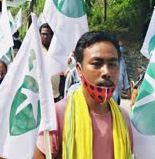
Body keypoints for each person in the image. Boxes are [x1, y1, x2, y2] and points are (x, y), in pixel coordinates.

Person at [34, 31, 133, 159]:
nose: (106, 72)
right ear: (79, 70)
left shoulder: (123, 118)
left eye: (112, 64)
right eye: (97, 64)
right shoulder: (58, 115)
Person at [39, 23, 62, 102]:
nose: (45, 36)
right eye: (43, 34)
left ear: (51, 35)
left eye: (47, 34)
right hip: (41, 93)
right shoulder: (36, 50)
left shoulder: (56, 50)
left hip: (55, 93)